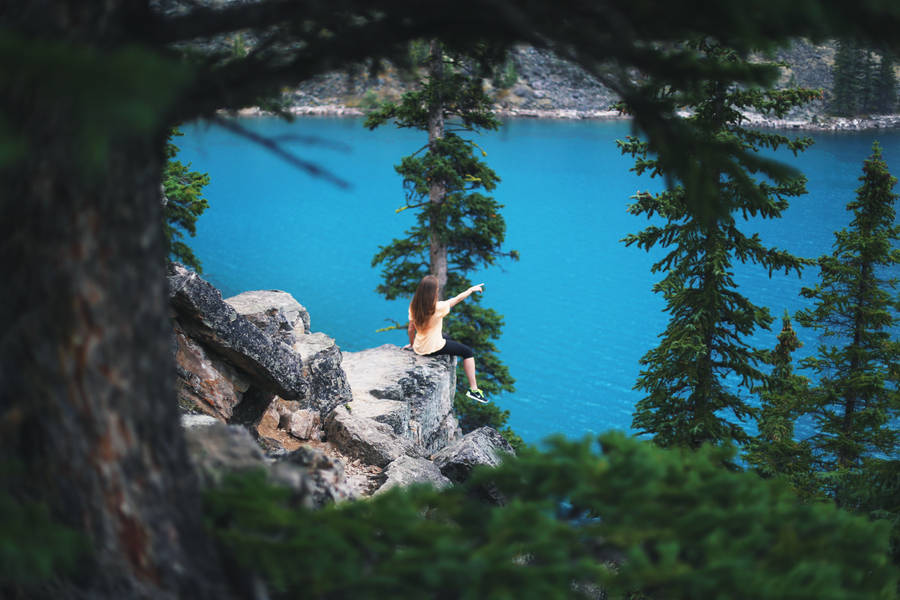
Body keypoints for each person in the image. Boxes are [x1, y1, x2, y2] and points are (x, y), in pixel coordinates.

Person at [405, 275, 488, 403]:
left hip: (419, 346)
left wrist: (412, 345)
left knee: (447, 337)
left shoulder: (414, 306)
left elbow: (411, 329)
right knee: (467, 352)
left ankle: (471, 386)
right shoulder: (437, 307)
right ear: (433, 292)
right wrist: (471, 290)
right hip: (432, 348)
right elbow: (457, 299)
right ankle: (474, 390)